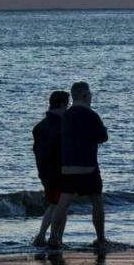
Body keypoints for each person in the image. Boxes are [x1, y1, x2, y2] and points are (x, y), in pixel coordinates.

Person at [48, 81, 110, 248]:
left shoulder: (65, 116)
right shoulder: (91, 115)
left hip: (68, 167)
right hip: (88, 166)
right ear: (84, 95)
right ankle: (100, 238)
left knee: (63, 202)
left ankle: (53, 238)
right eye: (90, 95)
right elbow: (103, 137)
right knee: (97, 200)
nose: (91, 97)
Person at [31, 90, 70, 246]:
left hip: (44, 171)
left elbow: (36, 149)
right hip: (60, 171)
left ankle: (43, 236)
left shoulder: (39, 126)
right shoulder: (62, 125)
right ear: (62, 104)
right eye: (67, 104)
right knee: (61, 205)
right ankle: (55, 238)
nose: (68, 108)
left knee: (54, 204)